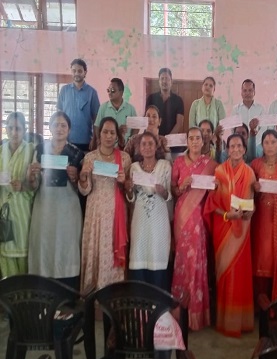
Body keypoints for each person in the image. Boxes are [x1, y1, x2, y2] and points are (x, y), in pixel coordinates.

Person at [204, 134, 256, 337]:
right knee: (224, 272)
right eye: (231, 146)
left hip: (242, 230)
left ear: (244, 149)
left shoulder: (250, 172)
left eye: (239, 146)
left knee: (240, 273)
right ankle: (224, 320)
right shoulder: (219, 171)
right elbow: (211, 204)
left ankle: (239, 322)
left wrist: (249, 213)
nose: (235, 149)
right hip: (223, 227)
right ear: (226, 149)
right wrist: (227, 215)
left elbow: (251, 203)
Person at [27, 112, 84, 290]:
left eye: (63, 125)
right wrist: (31, 176)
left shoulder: (77, 153)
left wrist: (75, 178)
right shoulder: (39, 150)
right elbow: (34, 185)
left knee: (66, 248)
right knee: (44, 246)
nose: (59, 128)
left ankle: (67, 295)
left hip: (68, 209)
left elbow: (82, 188)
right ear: (50, 127)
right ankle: (43, 294)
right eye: (56, 125)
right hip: (45, 207)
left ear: (69, 129)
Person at [171, 127, 217, 331]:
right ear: (187, 141)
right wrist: (182, 186)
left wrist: (214, 185)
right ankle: (180, 313)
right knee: (182, 261)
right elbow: (173, 189)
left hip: (199, 217)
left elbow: (217, 189)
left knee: (196, 261)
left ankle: (196, 314)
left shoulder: (210, 164)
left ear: (203, 141)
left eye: (198, 138)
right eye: (191, 138)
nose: (195, 141)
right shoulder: (179, 162)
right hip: (182, 216)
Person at [78, 117, 131, 290]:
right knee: (95, 250)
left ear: (117, 136)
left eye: (112, 133)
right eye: (105, 132)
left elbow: (130, 192)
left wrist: (124, 183)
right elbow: (85, 191)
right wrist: (83, 177)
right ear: (99, 134)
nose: (108, 136)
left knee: (111, 255)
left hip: (116, 215)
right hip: (95, 213)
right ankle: (92, 294)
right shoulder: (90, 157)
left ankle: (112, 294)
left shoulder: (124, 158)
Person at [125, 132, 172, 290]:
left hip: (159, 217)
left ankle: (158, 299)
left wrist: (163, 192)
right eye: (143, 144)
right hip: (140, 218)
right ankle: (140, 299)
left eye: (150, 143)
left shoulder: (165, 166)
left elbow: (170, 196)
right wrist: (129, 190)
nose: (147, 147)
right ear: (139, 148)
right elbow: (131, 197)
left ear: (156, 146)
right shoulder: (134, 168)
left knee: (158, 250)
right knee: (139, 250)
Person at [251, 130, 277, 302]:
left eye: (273, 142)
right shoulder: (255, 164)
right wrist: (253, 188)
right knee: (261, 256)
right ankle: (261, 301)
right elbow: (247, 192)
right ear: (261, 145)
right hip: (260, 218)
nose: (270, 146)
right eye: (266, 142)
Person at [0, 112, 35, 277]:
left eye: (18, 128)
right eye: (10, 128)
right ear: (6, 129)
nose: (14, 132)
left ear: (24, 130)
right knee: (4, 257)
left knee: (23, 257)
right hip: (3, 211)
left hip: (23, 211)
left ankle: (24, 292)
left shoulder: (31, 150)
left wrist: (23, 185)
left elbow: (37, 183)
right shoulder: (1, 151)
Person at [57, 58, 100, 152]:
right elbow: (59, 115)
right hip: (66, 140)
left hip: (85, 141)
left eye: (80, 71)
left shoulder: (92, 92)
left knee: (84, 162)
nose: (76, 73)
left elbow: (96, 119)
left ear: (85, 72)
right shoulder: (64, 90)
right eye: (74, 71)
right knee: (65, 162)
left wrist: (95, 139)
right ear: (71, 72)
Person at [93, 78, 138, 146]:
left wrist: (130, 141)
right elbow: (97, 126)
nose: (110, 93)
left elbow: (136, 128)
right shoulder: (103, 107)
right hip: (106, 146)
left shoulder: (130, 109)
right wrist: (99, 140)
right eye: (108, 90)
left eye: (113, 90)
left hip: (124, 147)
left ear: (121, 92)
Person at [146, 68, 184, 136]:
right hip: (153, 137)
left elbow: (179, 123)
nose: (164, 81)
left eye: (167, 78)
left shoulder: (178, 100)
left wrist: (167, 138)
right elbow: (146, 118)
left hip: (171, 139)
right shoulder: (151, 98)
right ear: (159, 81)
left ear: (171, 81)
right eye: (162, 78)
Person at [232, 79, 265, 144]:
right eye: (245, 90)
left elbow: (263, 129)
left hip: (256, 144)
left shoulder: (260, 109)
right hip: (240, 144)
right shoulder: (236, 109)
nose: (247, 93)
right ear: (241, 93)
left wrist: (252, 141)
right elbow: (233, 129)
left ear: (254, 92)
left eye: (250, 90)